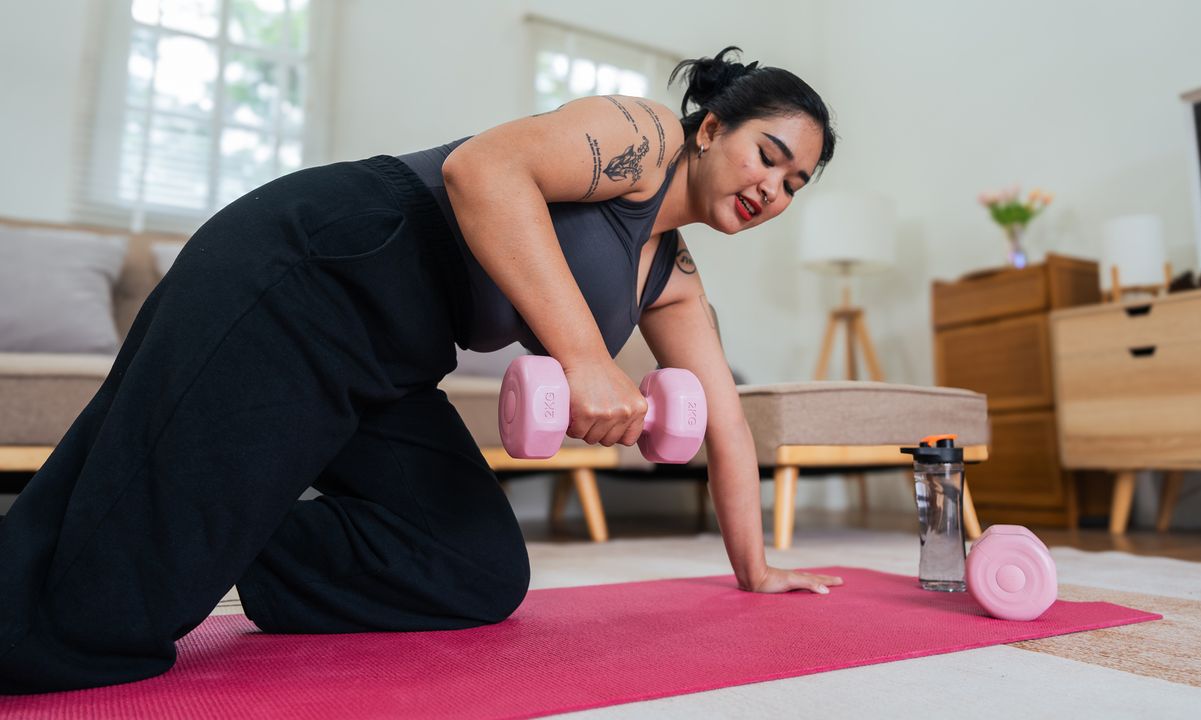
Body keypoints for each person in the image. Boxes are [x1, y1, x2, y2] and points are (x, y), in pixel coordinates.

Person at [0, 46, 844, 694]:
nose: (774, 188)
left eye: (795, 183)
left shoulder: (674, 280)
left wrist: (758, 569)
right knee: (98, 621)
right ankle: (171, 535)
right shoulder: (641, 135)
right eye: (767, 155)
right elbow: (480, 169)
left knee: (473, 566)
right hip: (312, 269)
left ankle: (218, 526)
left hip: (392, 359)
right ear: (708, 130)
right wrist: (586, 359)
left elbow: (724, 424)